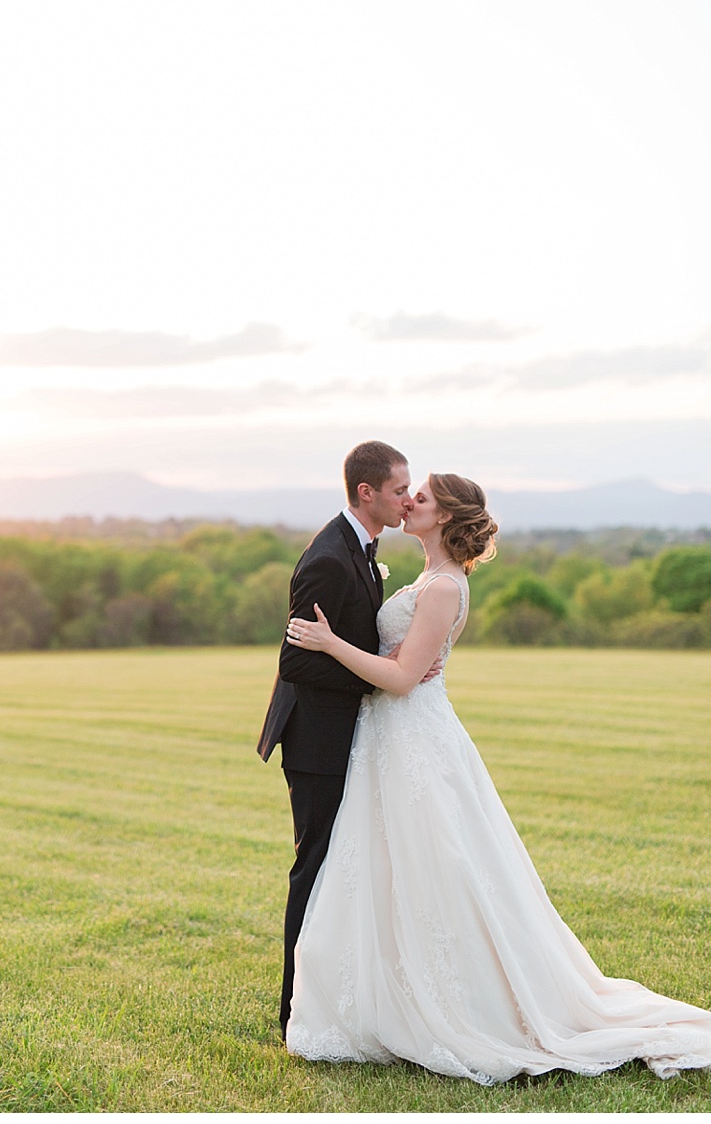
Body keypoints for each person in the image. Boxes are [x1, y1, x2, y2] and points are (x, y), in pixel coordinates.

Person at [282, 473, 711, 1082]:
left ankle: (459, 1005)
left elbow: (403, 679)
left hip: (413, 738)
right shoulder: (427, 579)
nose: (409, 502)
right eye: (407, 492)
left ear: (446, 515)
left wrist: (328, 643)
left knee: (438, 868)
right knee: (386, 867)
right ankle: (381, 996)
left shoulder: (443, 588)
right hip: (389, 740)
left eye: (421, 497)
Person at [256, 440, 412, 1038]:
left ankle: (339, 996)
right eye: (399, 490)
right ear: (366, 493)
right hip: (317, 739)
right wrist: (380, 679)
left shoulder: (363, 548)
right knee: (315, 867)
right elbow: (295, 664)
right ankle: (295, 1009)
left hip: (345, 731)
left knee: (341, 866)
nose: (407, 498)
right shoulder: (327, 557)